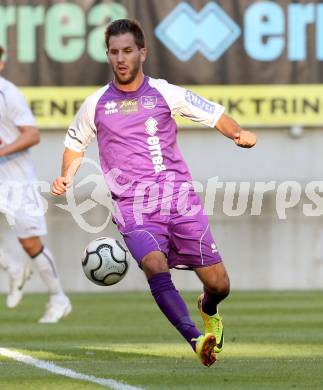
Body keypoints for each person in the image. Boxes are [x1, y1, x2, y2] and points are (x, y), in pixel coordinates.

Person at [51, 19, 256, 365]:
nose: (121, 58)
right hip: (133, 206)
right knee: (153, 264)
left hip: (180, 202)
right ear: (108, 55)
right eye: (114, 52)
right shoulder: (96, 104)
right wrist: (66, 175)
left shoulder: (164, 92)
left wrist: (237, 133)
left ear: (142, 52)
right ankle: (195, 340)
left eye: (127, 50)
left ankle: (207, 309)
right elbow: (74, 144)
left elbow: (214, 113)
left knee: (220, 285)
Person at [0, 46, 72, 323]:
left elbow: (32, 135)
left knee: (30, 243)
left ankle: (59, 298)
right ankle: (13, 269)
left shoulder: (9, 94)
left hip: (17, 179)